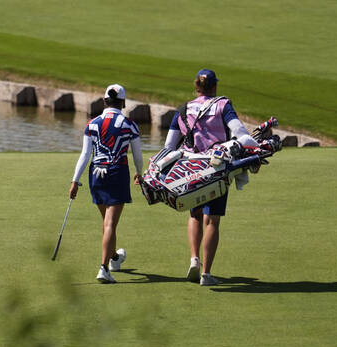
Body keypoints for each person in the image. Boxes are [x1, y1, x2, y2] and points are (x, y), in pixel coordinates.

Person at [156, 68, 260, 287]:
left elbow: (168, 146)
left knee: (194, 214)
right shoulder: (223, 105)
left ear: (197, 87)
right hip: (215, 168)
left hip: (189, 169)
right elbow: (239, 133)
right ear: (214, 86)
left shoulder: (183, 109)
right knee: (212, 219)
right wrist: (254, 149)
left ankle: (194, 258)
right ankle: (207, 273)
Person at [69, 83, 146, 284]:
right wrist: (139, 173)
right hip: (117, 173)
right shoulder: (129, 124)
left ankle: (114, 259)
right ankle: (103, 267)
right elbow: (137, 155)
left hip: (96, 175)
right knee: (110, 223)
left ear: (104, 101)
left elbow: (85, 155)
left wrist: (75, 181)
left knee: (107, 223)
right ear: (123, 103)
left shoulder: (92, 124)